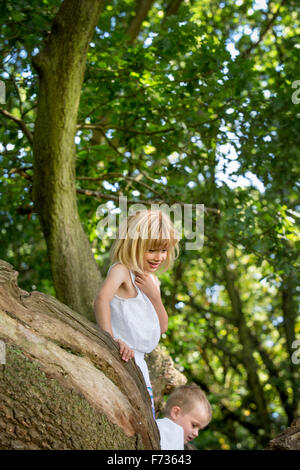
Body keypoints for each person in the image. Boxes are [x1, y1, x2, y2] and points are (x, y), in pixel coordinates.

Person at [94, 209, 179, 418]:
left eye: (164, 250)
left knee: (145, 417)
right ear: (134, 245)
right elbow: (101, 300)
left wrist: (155, 297)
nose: (159, 257)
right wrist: (111, 339)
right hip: (119, 354)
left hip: (139, 362)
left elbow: (163, 327)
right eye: (152, 250)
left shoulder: (152, 281)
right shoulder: (121, 271)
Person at [156, 383, 212, 450]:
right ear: (176, 413)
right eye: (194, 425)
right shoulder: (171, 432)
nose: (196, 434)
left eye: (199, 429)